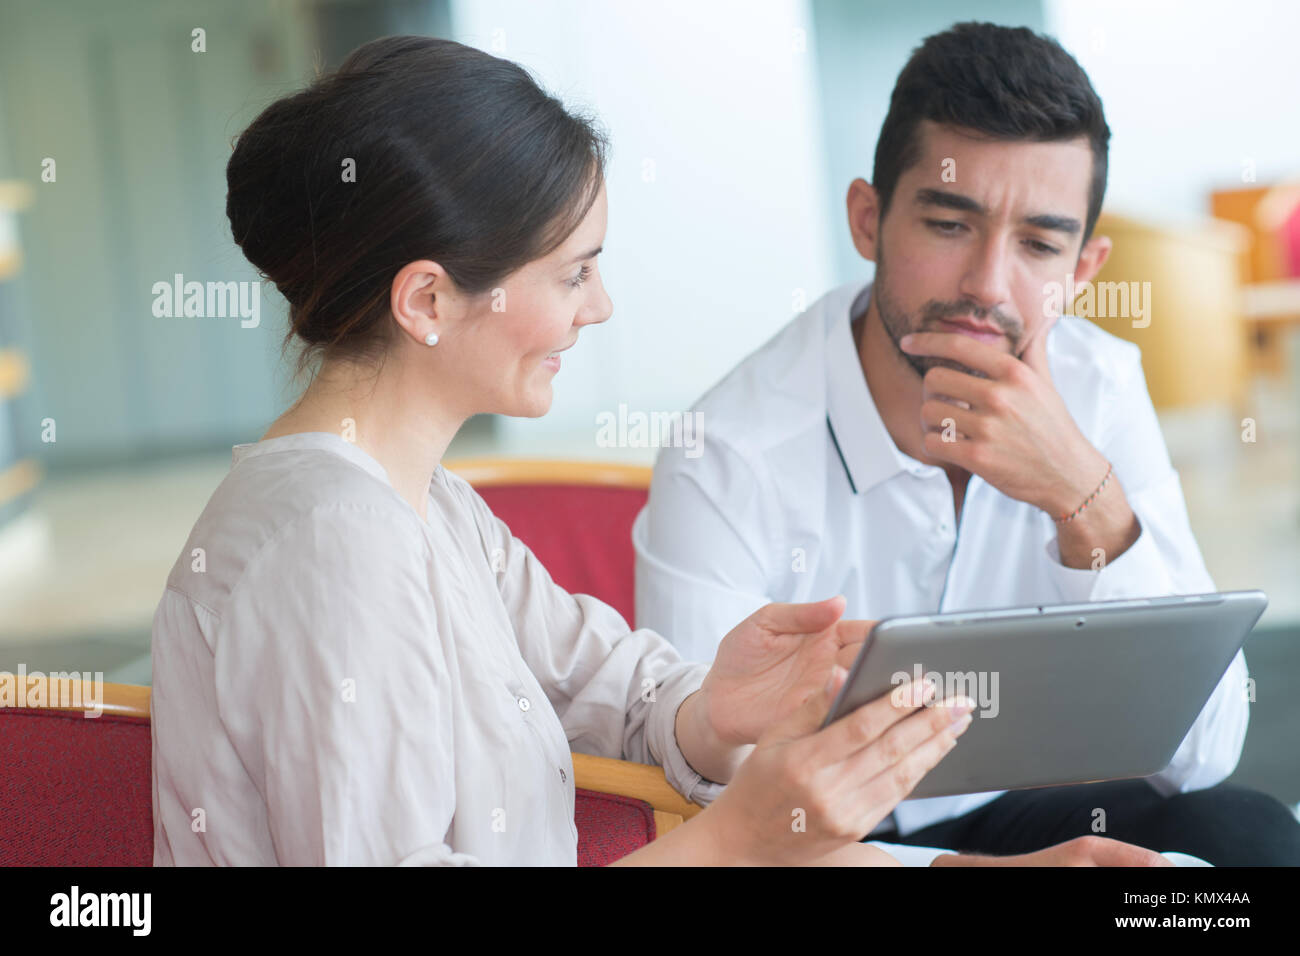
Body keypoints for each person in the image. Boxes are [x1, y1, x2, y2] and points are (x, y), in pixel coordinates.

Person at [150, 33, 997, 867]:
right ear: (429, 300)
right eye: (572, 274)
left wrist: (717, 710)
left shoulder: (427, 503)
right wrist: (740, 839)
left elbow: (604, 681)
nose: (600, 307)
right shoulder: (332, 547)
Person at [633, 21, 1300, 865]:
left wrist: (1082, 498)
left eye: (1038, 244)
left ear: (1083, 270)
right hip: (824, 839)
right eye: (950, 225)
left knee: (1248, 838)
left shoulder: (1100, 384)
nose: (987, 284)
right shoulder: (725, 450)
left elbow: (1202, 755)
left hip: (1032, 807)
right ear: (868, 220)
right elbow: (706, 806)